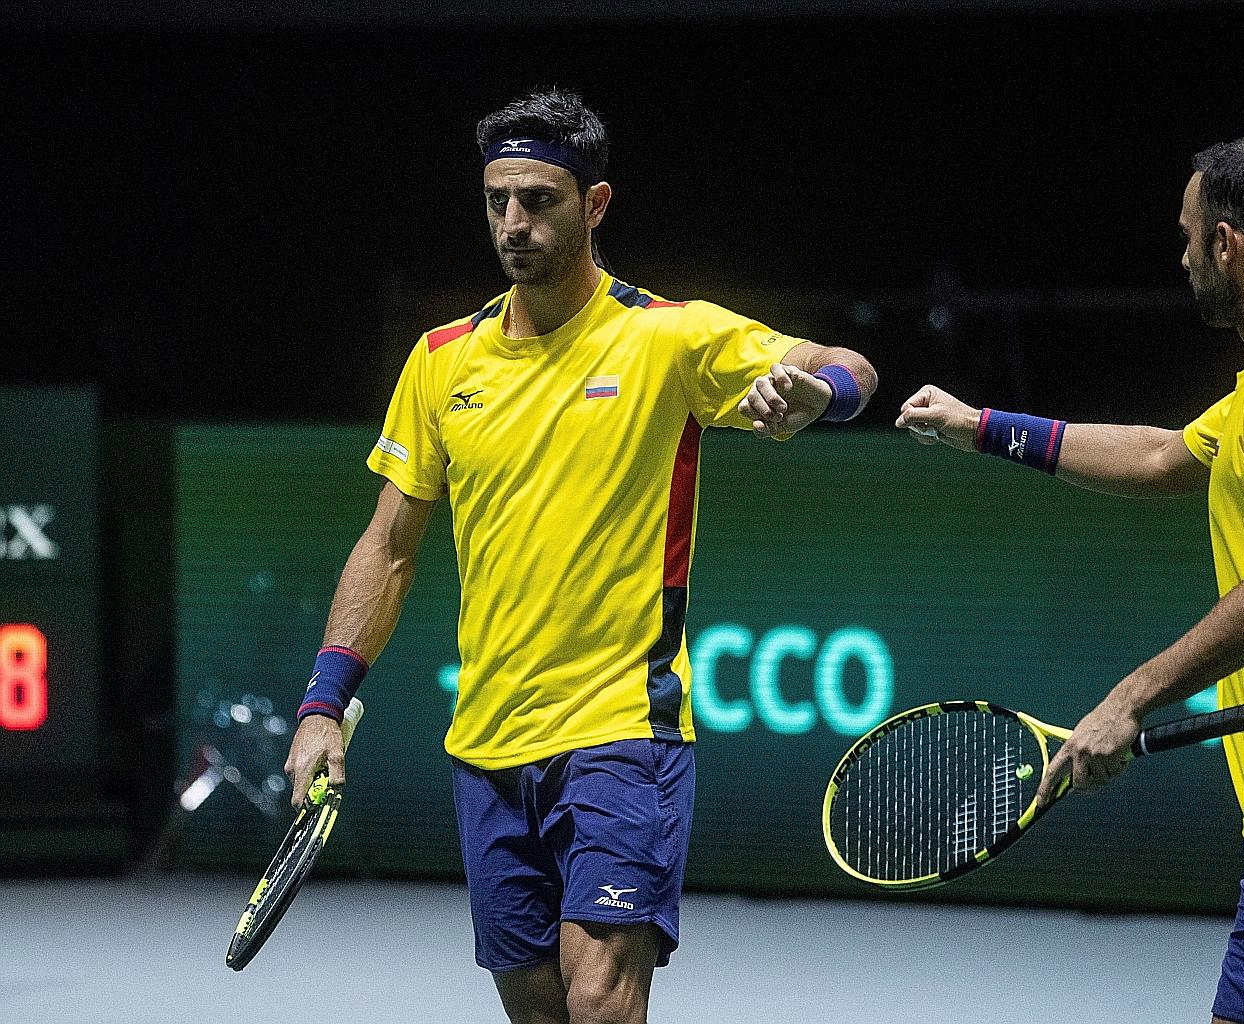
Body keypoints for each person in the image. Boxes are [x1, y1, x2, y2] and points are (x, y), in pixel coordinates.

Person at [281, 88, 877, 1024]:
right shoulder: (441, 360)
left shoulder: (668, 337)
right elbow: (389, 547)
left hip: (620, 733)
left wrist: (819, 392)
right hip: (485, 744)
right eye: (497, 201)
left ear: (595, 204)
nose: (513, 224)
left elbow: (850, 365)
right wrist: (324, 702)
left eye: (540, 200)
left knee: (600, 1001)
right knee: (540, 1009)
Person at [896, 138, 1244, 1024]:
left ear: (1227, 244)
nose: (1182, 254)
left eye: (1189, 235)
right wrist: (979, 426)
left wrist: (1131, 697)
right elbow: (1161, 455)